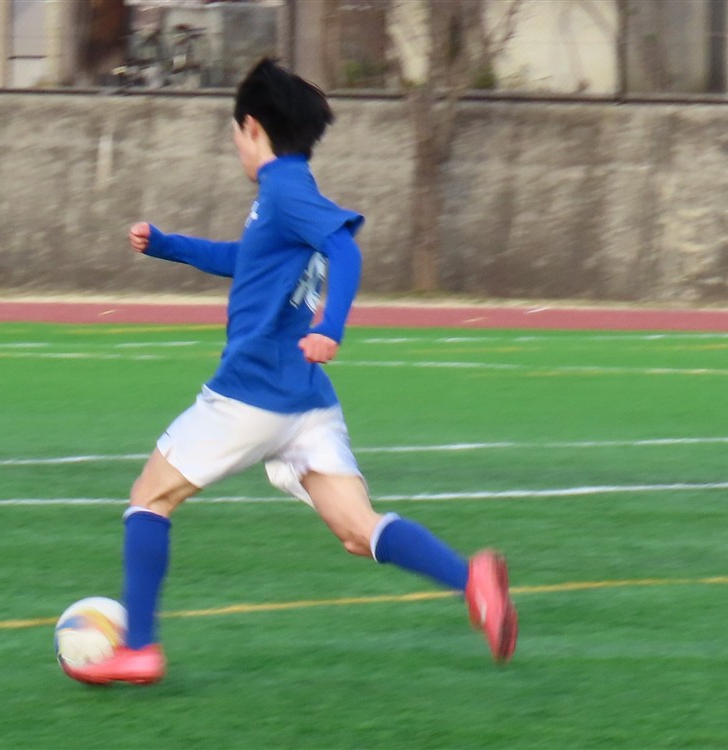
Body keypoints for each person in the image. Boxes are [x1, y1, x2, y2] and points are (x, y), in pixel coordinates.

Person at [66, 59, 517, 686]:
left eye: (234, 132)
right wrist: (168, 245)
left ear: (252, 127)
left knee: (150, 497)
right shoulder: (286, 194)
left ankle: (139, 648)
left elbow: (344, 249)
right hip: (306, 402)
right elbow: (246, 259)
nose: (234, 143)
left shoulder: (284, 190)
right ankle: (471, 581)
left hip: (254, 393)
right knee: (358, 530)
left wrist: (330, 327)